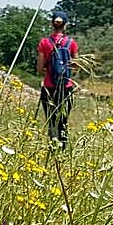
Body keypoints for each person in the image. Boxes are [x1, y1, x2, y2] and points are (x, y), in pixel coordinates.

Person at [36, 10, 77, 146]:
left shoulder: (44, 43)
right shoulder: (71, 43)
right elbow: (75, 66)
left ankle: (52, 148)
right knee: (63, 121)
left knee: (51, 121)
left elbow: (40, 68)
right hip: (66, 87)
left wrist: (47, 72)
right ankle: (63, 148)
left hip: (49, 87)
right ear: (65, 25)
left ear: (52, 24)